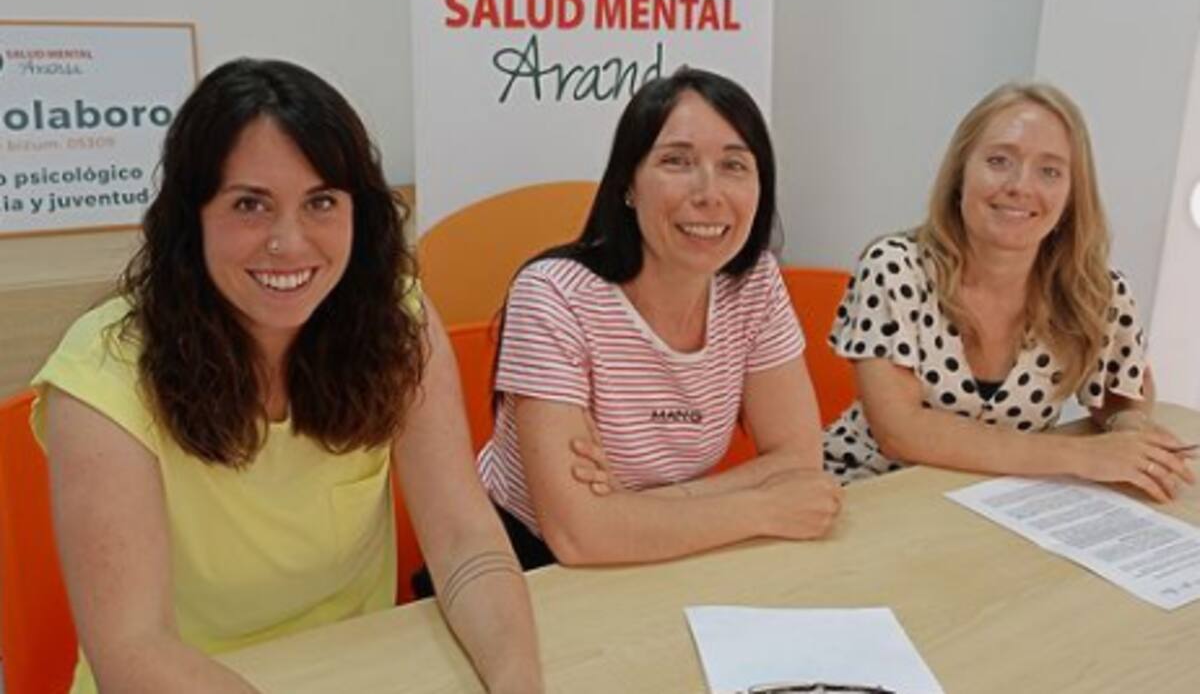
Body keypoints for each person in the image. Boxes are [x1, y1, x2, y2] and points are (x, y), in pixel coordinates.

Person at [33, 59, 542, 694]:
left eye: (321, 202)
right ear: (192, 217)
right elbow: (133, 651)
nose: (290, 242)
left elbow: (465, 543)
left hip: (350, 670)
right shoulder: (102, 373)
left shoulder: (397, 321)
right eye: (250, 204)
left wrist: (517, 682)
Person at [475, 67, 842, 569]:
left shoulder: (753, 282)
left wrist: (636, 510)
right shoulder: (553, 294)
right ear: (628, 184)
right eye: (676, 161)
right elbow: (578, 535)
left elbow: (797, 463)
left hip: (677, 546)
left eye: (734, 165)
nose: (709, 192)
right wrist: (765, 507)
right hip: (526, 560)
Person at [823, 81, 1195, 502]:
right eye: (999, 161)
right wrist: (1081, 456)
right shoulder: (894, 268)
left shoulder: (1096, 290)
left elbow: (1121, 393)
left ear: (1071, 195)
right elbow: (901, 432)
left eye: (1049, 171)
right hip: (868, 489)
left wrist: (1127, 429)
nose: (1021, 186)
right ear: (961, 173)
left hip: (995, 502)